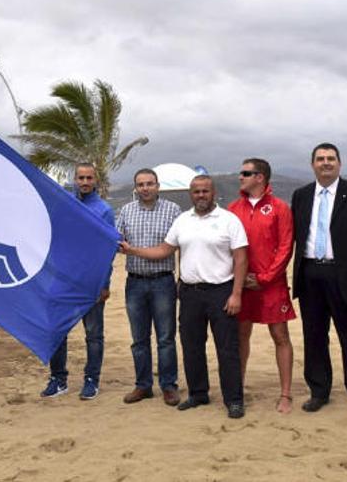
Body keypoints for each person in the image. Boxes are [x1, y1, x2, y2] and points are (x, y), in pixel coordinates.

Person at [121, 175, 249, 418]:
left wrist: (236, 294)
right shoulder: (182, 220)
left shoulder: (229, 220)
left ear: (213, 193)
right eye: (196, 192)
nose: (201, 195)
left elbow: (241, 258)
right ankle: (199, 394)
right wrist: (133, 250)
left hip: (221, 291)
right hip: (189, 292)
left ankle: (233, 399)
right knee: (191, 346)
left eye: (205, 191)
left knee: (227, 349)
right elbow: (164, 250)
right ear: (191, 194)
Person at [291, 143, 347, 418]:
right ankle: (319, 391)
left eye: (330, 158)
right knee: (314, 336)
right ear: (312, 164)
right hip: (311, 273)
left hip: (346, 274)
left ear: (339, 163)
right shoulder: (301, 196)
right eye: (320, 159)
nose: (325, 163)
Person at [227, 158, 297, 414]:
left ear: (260, 177)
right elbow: (228, 247)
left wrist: (265, 278)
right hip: (242, 285)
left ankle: (286, 394)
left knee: (280, 336)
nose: (240, 177)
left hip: (272, 285)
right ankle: (238, 388)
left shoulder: (279, 208)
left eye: (245, 173)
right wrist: (239, 277)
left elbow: (286, 246)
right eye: (241, 172)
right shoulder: (233, 208)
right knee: (241, 335)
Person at [40, 163, 114, 401]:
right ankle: (58, 379)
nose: (84, 182)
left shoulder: (104, 210)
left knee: (93, 334)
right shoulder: (64, 206)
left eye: (89, 178)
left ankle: (91, 380)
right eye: (80, 177)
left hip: (90, 283)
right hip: (62, 281)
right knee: (56, 330)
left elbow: (108, 250)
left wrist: (104, 284)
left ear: (95, 180)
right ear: (75, 179)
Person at [116, 168, 182, 406]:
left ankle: (168, 386)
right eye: (141, 184)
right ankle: (143, 386)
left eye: (149, 183)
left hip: (163, 281)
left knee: (165, 338)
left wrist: (132, 250)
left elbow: (176, 247)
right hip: (134, 282)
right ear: (136, 187)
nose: (145, 188)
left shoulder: (173, 210)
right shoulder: (126, 211)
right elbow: (114, 240)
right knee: (139, 339)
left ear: (158, 185)